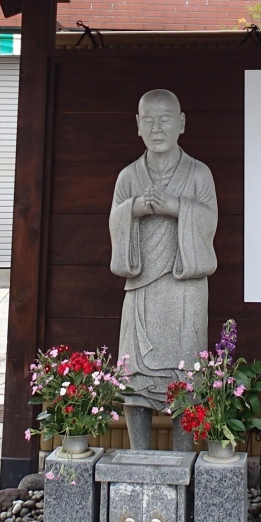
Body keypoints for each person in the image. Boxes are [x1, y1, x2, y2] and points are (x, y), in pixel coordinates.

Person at [109, 88, 218, 450]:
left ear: (181, 123)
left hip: (184, 286)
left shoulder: (199, 174)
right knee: (135, 376)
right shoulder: (128, 177)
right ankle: (138, 453)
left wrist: (176, 206)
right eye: (149, 121)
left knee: (184, 372)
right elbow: (115, 220)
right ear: (138, 125)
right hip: (142, 286)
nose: (157, 129)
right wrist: (134, 209)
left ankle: (183, 456)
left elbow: (209, 221)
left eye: (165, 119)